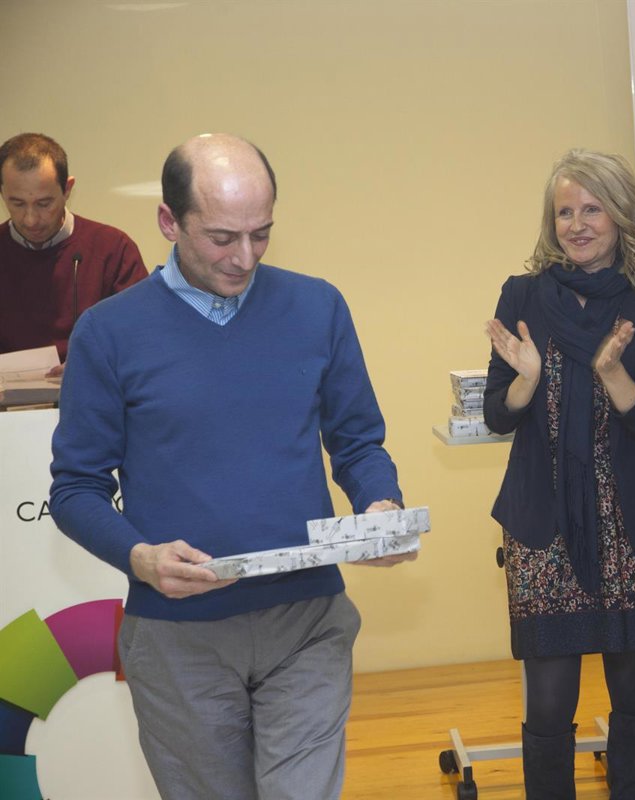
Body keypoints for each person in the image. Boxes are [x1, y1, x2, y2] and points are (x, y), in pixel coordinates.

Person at [49, 133, 416, 800]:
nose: (244, 257)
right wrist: (140, 558)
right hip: (177, 638)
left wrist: (379, 507)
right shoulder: (107, 333)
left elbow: (358, 441)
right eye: (222, 238)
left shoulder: (318, 307)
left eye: (261, 234)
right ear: (169, 221)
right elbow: (76, 490)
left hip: (307, 619)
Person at [484, 149, 635, 799]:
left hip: (630, 525)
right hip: (544, 525)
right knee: (548, 702)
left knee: (634, 694)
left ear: (622, 215)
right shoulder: (522, 296)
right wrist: (527, 381)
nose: (576, 224)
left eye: (592, 209)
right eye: (564, 212)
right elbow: (497, 413)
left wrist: (613, 373)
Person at [0, 133, 146, 370]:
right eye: (17, 203)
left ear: (67, 189)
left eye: (44, 203)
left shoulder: (113, 249)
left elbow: (141, 337)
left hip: (92, 389)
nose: (30, 219)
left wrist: (95, 366)